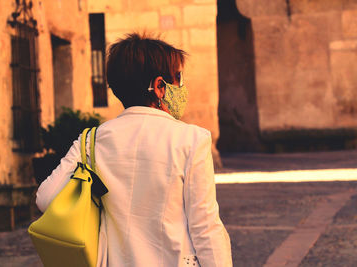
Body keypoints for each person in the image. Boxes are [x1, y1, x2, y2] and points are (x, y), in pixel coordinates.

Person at [35, 33, 232, 267]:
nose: (182, 86)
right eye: (178, 78)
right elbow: (205, 227)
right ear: (159, 86)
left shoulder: (91, 141)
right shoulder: (192, 139)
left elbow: (45, 199)